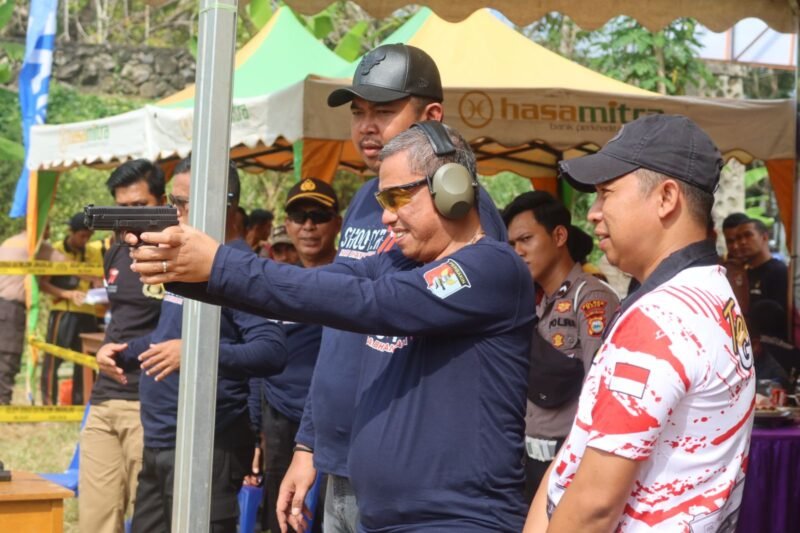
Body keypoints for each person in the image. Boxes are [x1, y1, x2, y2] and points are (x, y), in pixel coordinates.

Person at [127, 123, 534, 531]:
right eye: (382, 200)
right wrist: (185, 270)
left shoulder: (491, 267)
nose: (387, 217)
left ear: (452, 187)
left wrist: (220, 262)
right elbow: (322, 288)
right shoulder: (399, 262)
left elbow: (369, 303)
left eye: (397, 198)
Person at [277, 44, 507, 533]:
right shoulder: (365, 199)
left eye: (383, 111)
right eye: (358, 113)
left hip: (400, 479)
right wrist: (307, 444)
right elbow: (337, 333)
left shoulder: (464, 218)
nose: (366, 126)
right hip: (336, 461)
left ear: (432, 116)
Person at [525, 114, 755, 532]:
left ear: (666, 197)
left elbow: (594, 508)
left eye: (606, 192)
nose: (593, 213)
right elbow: (578, 453)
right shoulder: (712, 293)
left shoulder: (663, 319)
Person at [97, 158, 288, 532]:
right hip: (162, 438)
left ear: (224, 203)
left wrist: (197, 354)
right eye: (173, 200)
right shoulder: (190, 263)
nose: (175, 212)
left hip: (209, 444)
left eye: (184, 203)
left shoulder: (239, 268)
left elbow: (271, 350)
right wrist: (125, 353)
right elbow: (169, 338)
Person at [503, 191, 619, 501]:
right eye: (512, 244)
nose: (518, 251)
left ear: (558, 235)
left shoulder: (593, 300)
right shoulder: (528, 300)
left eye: (526, 239)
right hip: (527, 461)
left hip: (570, 462)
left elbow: (603, 393)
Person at [79, 159, 166, 533]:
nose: (129, 217)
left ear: (162, 202)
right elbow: (121, 318)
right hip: (103, 401)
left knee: (146, 520)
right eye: (121, 208)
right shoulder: (116, 250)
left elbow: (184, 328)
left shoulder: (173, 256)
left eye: (139, 207)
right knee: (94, 522)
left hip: (147, 405)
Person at [249, 178, 341, 533]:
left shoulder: (355, 283)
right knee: (282, 517)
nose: (308, 225)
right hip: (279, 422)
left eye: (318, 215)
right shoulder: (276, 283)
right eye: (299, 216)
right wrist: (257, 431)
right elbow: (260, 361)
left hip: (332, 424)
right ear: (286, 225)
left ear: (337, 223)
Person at [40, 212, 104, 405]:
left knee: (85, 361)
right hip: (63, 312)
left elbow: (98, 280)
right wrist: (68, 294)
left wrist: (98, 285)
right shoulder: (54, 251)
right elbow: (43, 284)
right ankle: (48, 404)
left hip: (88, 312)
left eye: (89, 236)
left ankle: (81, 404)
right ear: (71, 232)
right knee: (54, 357)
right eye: (82, 236)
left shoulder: (93, 252)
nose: (86, 240)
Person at [0, 230, 62, 404]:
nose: (49, 233)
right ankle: (2, 405)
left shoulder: (9, 241)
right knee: (8, 356)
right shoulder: (34, 246)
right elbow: (66, 263)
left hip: (4, 305)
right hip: (9, 308)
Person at [735, 217, 788, 315]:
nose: (742, 242)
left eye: (748, 235)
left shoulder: (779, 271)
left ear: (764, 237)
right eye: (738, 238)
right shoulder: (742, 273)